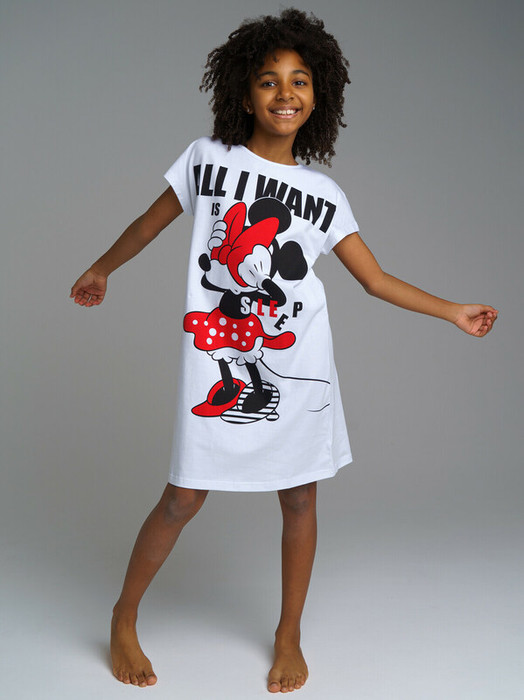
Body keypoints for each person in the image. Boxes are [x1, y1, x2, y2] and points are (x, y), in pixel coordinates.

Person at [70, 8, 498, 694]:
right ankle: (124, 615)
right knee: (182, 496)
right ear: (245, 95)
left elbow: (375, 279)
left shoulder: (324, 194)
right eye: (268, 80)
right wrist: (101, 268)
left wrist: (452, 310)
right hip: (215, 351)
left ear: (317, 97)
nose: (285, 92)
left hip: (298, 361)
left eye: (300, 80)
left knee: (299, 498)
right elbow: (149, 224)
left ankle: (288, 634)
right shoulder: (208, 159)